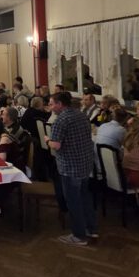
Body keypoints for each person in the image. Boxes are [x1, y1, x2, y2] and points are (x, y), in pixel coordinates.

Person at [47, 91, 97, 246]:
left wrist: (48, 140)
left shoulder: (61, 120)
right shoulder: (81, 115)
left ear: (60, 104)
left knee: (73, 201)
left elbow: (56, 145)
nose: (50, 107)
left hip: (70, 166)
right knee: (85, 198)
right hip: (85, 163)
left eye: (52, 104)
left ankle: (79, 236)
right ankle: (90, 228)